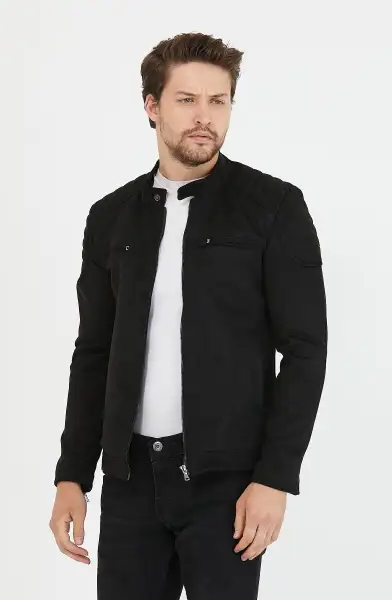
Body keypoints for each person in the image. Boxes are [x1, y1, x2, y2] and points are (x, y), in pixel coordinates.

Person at [49, 32, 328, 599]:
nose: (205, 117)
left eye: (218, 101)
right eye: (186, 100)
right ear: (151, 106)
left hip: (227, 486)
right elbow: (93, 352)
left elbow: (305, 351)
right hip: (129, 482)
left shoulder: (273, 207)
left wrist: (274, 477)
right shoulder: (110, 217)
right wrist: (72, 474)